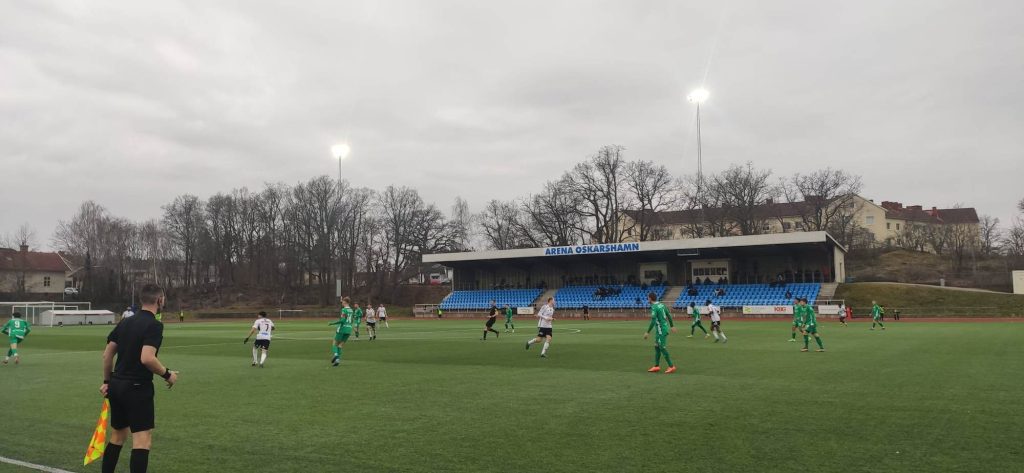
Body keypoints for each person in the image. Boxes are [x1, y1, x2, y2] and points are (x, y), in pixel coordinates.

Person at [99, 283, 178, 473]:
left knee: (117, 436)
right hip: (137, 387)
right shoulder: (154, 325)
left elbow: (107, 355)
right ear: (160, 300)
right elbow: (147, 358)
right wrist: (168, 374)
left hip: (117, 385)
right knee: (142, 440)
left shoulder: (124, 322)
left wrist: (107, 382)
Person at [643, 292, 677, 373]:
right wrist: (672, 326)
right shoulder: (662, 305)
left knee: (662, 347)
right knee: (656, 346)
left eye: (648, 298)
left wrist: (647, 332)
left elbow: (653, 321)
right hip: (661, 329)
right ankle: (656, 366)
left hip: (661, 330)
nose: (648, 299)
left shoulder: (654, 307)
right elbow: (668, 315)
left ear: (650, 298)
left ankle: (671, 366)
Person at [329, 298, 355, 366]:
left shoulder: (344, 309)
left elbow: (343, 320)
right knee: (340, 345)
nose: (341, 303)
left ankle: (336, 355)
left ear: (345, 302)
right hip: (349, 329)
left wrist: (332, 323)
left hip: (342, 328)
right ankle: (337, 360)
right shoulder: (351, 310)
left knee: (335, 342)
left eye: (342, 302)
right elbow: (351, 320)